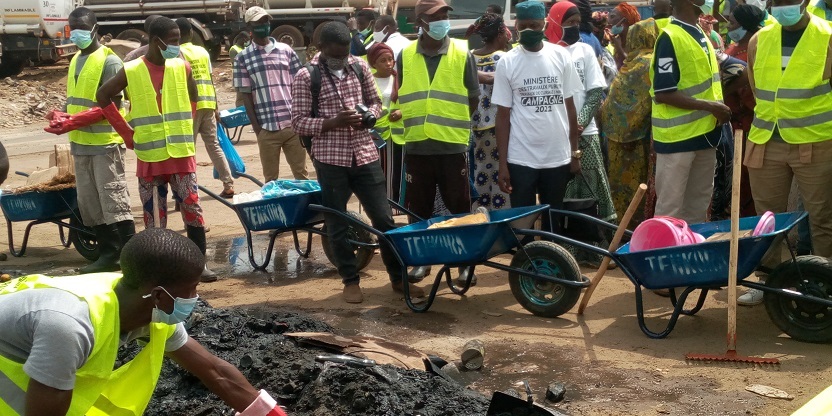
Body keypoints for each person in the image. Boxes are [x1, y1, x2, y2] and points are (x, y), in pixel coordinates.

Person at [0, 228, 287, 416]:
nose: (196, 296)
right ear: (160, 296)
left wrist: (271, 414)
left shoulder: (146, 302)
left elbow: (214, 372)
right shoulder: (69, 326)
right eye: (193, 287)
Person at [291, 22, 423, 304]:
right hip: (330, 159)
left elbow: (375, 102)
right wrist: (332, 122)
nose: (343, 59)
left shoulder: (359, 67)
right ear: (322, 48)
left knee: (385, 219)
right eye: (337, 54)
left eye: (346, 52)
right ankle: (350, 280)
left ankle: (398, 279)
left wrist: (370, 116)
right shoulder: (306, 76)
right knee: (337, 222)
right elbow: (299, 121)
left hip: (365, 154)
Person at [97, 16, 218, 282]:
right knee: (154, 216)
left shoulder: (181, 67)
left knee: (192, 208)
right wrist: (127, 134)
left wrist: (188, 125)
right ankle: (158, 269)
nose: (178, 45)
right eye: (173, 41)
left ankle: (199, 265)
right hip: (150, 157)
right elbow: (103, 96)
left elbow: (194, 96)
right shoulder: (131, 69)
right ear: (156, 41)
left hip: (181, 153)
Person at [741, 0, 832, 305]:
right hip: (767, 138)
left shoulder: (827, 36)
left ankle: (824, 285)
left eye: (788, 0)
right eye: (775, 1)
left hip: (816, 140)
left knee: (822, 218)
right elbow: (756, 88)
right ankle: (768, 281)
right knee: (767, 219)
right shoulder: (759, 39)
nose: (781, 6)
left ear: (805, 1)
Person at [494, 0, 582, 234]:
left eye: (533, 25)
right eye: (523, 26)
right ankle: (525, 266)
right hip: (521, 157)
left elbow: (570, 107)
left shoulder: (561, 56)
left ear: (544, 24)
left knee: (553, 223)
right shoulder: (507, 62)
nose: (528, 31)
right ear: (515, 26)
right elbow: (502, 117)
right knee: (522, 225)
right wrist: (503, 164)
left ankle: (551, 266)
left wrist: (575, 153)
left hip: (557, 157)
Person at [64, 7, 135, 274]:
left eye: (82, 27)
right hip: (80, 144)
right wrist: (62, 116)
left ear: (95, 27)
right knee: (90, 203)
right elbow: (75, 101)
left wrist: (74, 121)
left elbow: (112, 106)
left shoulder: (110, 61)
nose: (77, 33)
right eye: (73, 28)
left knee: (113, 200)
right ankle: (107, 253)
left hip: (105, 144)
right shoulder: (75, 60)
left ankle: (125, 254)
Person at [395, 0, 479, 221]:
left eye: (445, 16)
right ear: (420, 22)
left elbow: (473, 98)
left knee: (459, 208)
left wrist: (454, 122)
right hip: (417, 148)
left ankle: (462, 254)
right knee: (418, 211)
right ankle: (422, 254)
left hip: (452, 148)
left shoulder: (462, 52)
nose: (442, 22)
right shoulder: (405, 55)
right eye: (435, 18)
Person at [650, 0, 730, 225]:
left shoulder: (700, 33)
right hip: (677, 140)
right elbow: (663, 93)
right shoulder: (670, 37)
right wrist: (710, 107)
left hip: (705, 136)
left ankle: (691, 256)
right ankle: (666, 257)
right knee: (670, 211)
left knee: (697, 207)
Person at [549, 1, 615, 265]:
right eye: (568, 23)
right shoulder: (545, 52)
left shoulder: (585, 50)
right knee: (562, 194)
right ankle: (569, 252)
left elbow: (595, 90)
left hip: (585, 133)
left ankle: (596, 249)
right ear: (554, 23)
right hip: (554, 136)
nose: (574, 27)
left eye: (577, 23)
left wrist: (580, 122)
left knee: (591, 190)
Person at [234, 7, 309, 183]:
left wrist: (302, 116)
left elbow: (300, 85)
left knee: (301, 176)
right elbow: (246, 95)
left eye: (265, 21)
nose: (264, 25)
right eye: (258, 23)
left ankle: (305, 209)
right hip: (266, 128)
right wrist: (258, 129)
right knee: (270, 180)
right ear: (250, 28)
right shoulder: (242, 58)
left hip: (292, 125)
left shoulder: (286, 50)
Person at [602, 18, 660, 224]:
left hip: (617, 136)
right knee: (641, 183)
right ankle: (640, 225)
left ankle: (621, 226)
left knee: (622, 185)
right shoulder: (652, 61)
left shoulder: (634, 63)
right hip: (641, 137)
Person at [176, 18, 235, 199]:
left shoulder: (177, 53)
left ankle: (188, 190)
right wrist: (216, 107)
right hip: (208, 103)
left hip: (190, 105)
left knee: (188, 149)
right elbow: (209, 78)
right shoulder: (202, 51)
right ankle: (228, 183)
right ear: (191, 33)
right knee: (213, 145)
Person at [470, 13, 512, 211]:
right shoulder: (504, 58)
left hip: (476, 125)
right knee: (501, 174)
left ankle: (482, 213)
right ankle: (502, 216)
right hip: (500, 125)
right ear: (501, 33)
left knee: (481, 172)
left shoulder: (469, 56)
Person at [608, 2, 642, 68]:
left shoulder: (638, 43)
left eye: (612, 17)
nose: (609, 21)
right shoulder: (615, 41)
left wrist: (619, 49)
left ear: (624, 21)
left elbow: (634, 67)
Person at [229, 31, 251, 107]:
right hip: (239, 76)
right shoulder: (234, 49)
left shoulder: (244, 48)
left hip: (247, 76)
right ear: (241, 39)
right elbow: (235, 64)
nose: (247, 42)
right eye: (246, 40)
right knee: (241, 98)